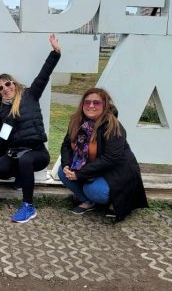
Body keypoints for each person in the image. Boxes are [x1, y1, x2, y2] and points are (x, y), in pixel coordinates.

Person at [0, 34, 61, 223]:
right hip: (16, 154)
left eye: (8, 83)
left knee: (26, 160)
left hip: (37, 153)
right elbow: (3, 136)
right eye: (0, 88)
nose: (5, 88)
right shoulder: (2, 109)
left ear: (14, 83)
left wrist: (55, 53)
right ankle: (21, 177)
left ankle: (28, 206)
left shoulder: (30, 94)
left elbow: (44, 75)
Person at [59, 88, 148, 221]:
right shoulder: (76, 121)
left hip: (115, 171)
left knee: (95, 191)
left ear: (105, 105)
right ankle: (87, 201)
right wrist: (66, 164)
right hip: (91, 166)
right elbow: (66, 145)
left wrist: (80, 173)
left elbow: (110, 158)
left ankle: (113, 201)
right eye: (87, 102)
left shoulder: (113, 126)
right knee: (62, 172)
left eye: (96, 103)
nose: (91, 106)